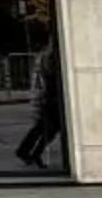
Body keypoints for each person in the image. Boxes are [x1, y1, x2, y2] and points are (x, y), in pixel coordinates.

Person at [13, 43, 64, 171]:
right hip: (51, 97)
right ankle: (29, 152)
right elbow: (48, 76)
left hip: (48, 96)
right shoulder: (50, 57)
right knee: (48, 128)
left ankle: (29, 151)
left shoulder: (44, 56)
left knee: (45, 127)